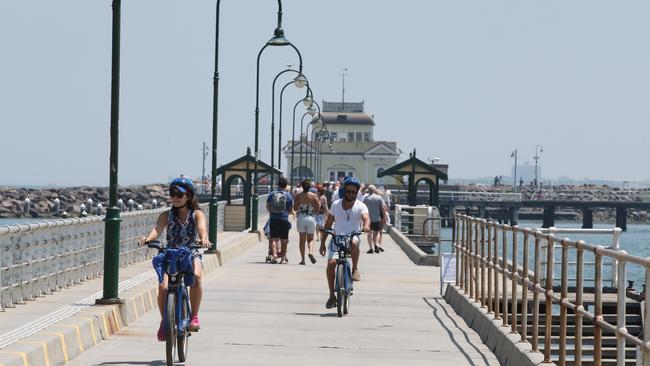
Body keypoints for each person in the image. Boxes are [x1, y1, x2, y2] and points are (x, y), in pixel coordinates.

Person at [138, 177, 210, 341]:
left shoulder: (197, 214)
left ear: (189, 196)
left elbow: (202, 229)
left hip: (191, 251)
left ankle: (194, 316)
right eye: (173, 194)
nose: (175, 198)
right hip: (170, 253)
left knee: (197, 277)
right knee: (163, 287)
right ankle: (165, 322)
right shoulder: (166, 215)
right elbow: (157, 229)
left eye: (179, 194)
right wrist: (148, 238)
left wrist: (204, 239)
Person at [319, 177, 370, 309]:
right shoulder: (336, 205)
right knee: (331, 263)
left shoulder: (361, 206)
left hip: (352, 236)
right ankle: (331, 295)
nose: (350, 194)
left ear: (357, 192)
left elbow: (366, 219)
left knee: (354, 243)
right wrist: (323, 243)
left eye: (353, 192)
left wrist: (366, 226)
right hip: (337, 239)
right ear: (344, 191)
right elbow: (328, 224)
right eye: (348, 191)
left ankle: (354, 269)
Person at [266, 177, 293, 264]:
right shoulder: (288, 195)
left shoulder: (272, 194)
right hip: (284, 219)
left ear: (278, 184)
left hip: (273, 218)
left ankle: (274, 255)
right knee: (284, 240)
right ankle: (282, 259)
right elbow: (290, 209)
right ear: (285, 185)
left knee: (274, 238)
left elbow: (268, 205)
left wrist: (271, 213)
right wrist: (286, 214)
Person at [294, 179, 321, 265]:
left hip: (301, 218)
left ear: (302, 186)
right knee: (310, 239)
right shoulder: (314, 196)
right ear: (310, 187)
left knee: (302, 240)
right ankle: (310, 252)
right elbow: (318, 208)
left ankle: (303, 260)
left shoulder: (298, 196)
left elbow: (295, 208)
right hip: (311, 218)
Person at [363, 185, 387, 253]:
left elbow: (363, 209)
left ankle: (370, 248)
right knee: (377, 233)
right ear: (374, 190)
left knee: (369, 233)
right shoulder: (379, 198)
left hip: (368, 219)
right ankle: (376, 244)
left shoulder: (366, 198)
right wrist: (384, 217)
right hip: (377, 218)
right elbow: (382, 208)